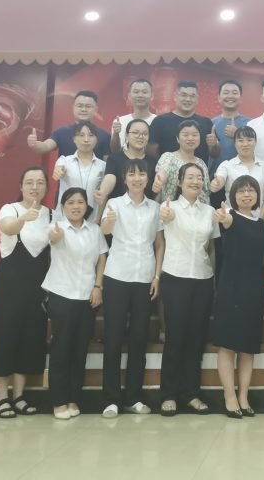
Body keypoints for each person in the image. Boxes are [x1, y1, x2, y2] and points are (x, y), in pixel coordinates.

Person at [99, 159, 164, 418]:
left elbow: (159, 244)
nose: (137, 178)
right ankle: (111, 399)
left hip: (145, 278)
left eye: (141, 174)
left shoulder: (155, 208)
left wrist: (157, 276)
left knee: (139, 339)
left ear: (148, 178)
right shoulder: (114, 204)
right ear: (125, 178)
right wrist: (109, 220)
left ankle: (133, 397)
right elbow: (104, 230)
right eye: (132, 174)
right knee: (113, 339)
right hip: (116, 276)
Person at [0, 167, 52, 418]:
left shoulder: (51, 214)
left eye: (40, 182)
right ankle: (2, 398)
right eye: (29, 182)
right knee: (5, 337)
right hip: (10, 286)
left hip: (38, 287)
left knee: (30, 338)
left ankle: (19, 396)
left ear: (46, 187)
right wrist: (24, 218)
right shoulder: (10, 209)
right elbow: (8, 228)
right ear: (21, 186)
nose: (35, 187)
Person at [158, 163, 220, 416]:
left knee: (196, 340)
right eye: (190, 177)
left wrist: (213, 279)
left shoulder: (210, 211)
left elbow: (211, 248)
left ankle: (191, 394)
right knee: (175, 338)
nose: (195, 181)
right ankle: (168, 395)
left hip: (203, 279)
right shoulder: (169, 207)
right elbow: (164, 223)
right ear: (180, 182)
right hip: (176, 277)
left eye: (199, 177)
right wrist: (165, 214)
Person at [43, 187, 108, 420]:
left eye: (80, 202)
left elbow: (102, 257)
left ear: (86, 206)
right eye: (70, 202)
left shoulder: (95, 230)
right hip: (62, 295)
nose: (76, 206)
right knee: (61, 350)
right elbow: (52, 238)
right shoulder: (56, 227)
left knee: (80, 350)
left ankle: (73, 398)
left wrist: (98, 286)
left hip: (88, 297)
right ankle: (58, 401)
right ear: (63, 207)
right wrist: (56, 236)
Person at [211, 176, 264, 418]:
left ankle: (244, 396)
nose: (247, 194)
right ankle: (229, 397)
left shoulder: (261, 223)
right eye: (241, 191)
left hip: (253, 290)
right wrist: (223, 216)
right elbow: (224, 221)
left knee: (248, 347)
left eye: (251, 190)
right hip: (230, 288)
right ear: (233, 196)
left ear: (257, 195)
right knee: (227, 345)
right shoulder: (230, 217)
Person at [148, 80, 217, 166]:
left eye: (192, 96)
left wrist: (214, 145)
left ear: (197, 99)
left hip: (198, 173)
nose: (188, 99)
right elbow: (150, 152)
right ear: (175, 96)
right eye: (183, 95)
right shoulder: (160, 121)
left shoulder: (206, 123)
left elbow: (215, 154)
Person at [210, 126, 264, 217]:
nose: (245, 144)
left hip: (257, 218)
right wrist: (216, 184)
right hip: (232, 219)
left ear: (255, 142)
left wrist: (261, 219)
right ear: (235, 143)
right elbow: (220, 179)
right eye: (240, 141)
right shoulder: (227, 165)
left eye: (249, 140)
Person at [28, 90, 112, 159]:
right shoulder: (61, 132)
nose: (83, 109)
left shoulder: (105, 136)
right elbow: (45, 146)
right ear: (73, 107)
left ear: (96, 109)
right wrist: (35, 144)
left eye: (88, 106)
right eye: (79, 106)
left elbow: (107, 165)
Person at [98, 118, 157, 204]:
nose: (140, 136)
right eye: (135, 133)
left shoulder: (154, 161)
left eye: (145, 134)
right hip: (118, 209)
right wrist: (102, 192)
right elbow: (110, 178)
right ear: (126, 135)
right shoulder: (114, 159)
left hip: (146, 210)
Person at [152, 120, 210, 204]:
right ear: (177, 139)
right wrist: (159, 181)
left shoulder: (201, 163)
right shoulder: (168, 157)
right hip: (171, 209)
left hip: (199, 210)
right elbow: (163, 171)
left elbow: (206, 191)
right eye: (185, 135)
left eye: (194, 135)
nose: (190, 138)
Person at [52, 121, 106, 210]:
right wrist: (59, 170)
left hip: (91, 217)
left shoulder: (103, 166)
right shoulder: (64, 161)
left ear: (97, 139)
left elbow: (103, 195)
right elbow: (60, 168)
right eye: (81, 135)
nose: (86, 139)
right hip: (65, 216)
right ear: (74, 139)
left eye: (91, 135)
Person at [210, 79, 250, 175]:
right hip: (216, 177)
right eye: (226, 93)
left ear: (241, 98)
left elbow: (255, 152)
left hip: (243, 177)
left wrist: (237, 135)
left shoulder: (251, 123)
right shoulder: (211, 123)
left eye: (234, 93)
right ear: (219, 98)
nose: (230, 96)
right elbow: (211, 154)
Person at [111, 78, 156, 152]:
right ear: (129, 96)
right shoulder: (120, 122)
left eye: (144, 92)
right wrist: (116, 134)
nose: (140, 95)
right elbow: (115, 151)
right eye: (136, 92)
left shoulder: (158, 121)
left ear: (152, 96)